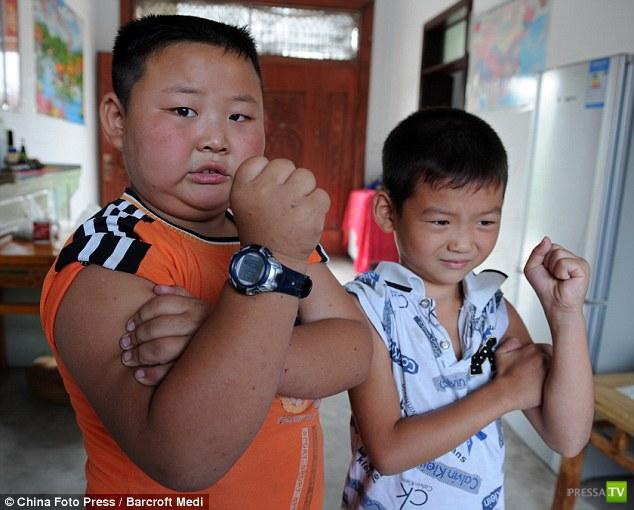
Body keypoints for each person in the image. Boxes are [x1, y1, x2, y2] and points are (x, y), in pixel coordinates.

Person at [39, 15, 371, 508]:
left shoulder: (268, 227)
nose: (216, 139)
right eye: (183, 110)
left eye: (239, 117)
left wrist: (218, 338)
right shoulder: (109, 257)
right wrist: (273, 265)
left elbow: (357, 350)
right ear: (117, 119)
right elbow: (185, 457)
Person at [339, 108, 594, 509]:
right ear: (388, 212)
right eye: (441, 222)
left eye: (485, 223)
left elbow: (568, 438)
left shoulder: (494, 312)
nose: (463, 242)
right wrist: (505, 393)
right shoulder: (366, 309)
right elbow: (388, 450)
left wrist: (565, 315)